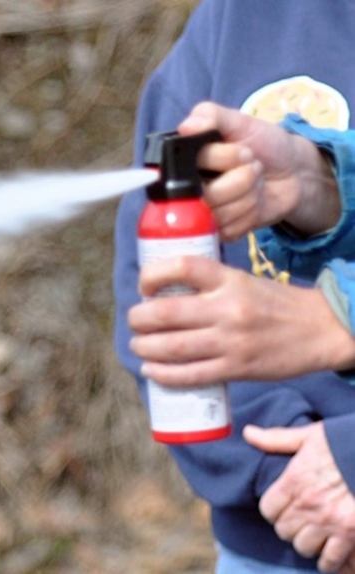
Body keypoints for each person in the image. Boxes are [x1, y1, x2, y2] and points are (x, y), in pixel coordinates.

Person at [114, 1, 355, 572]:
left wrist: (332, 319)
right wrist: (280, 472)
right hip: (279, 533)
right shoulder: (239, 16)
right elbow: (152, 290)